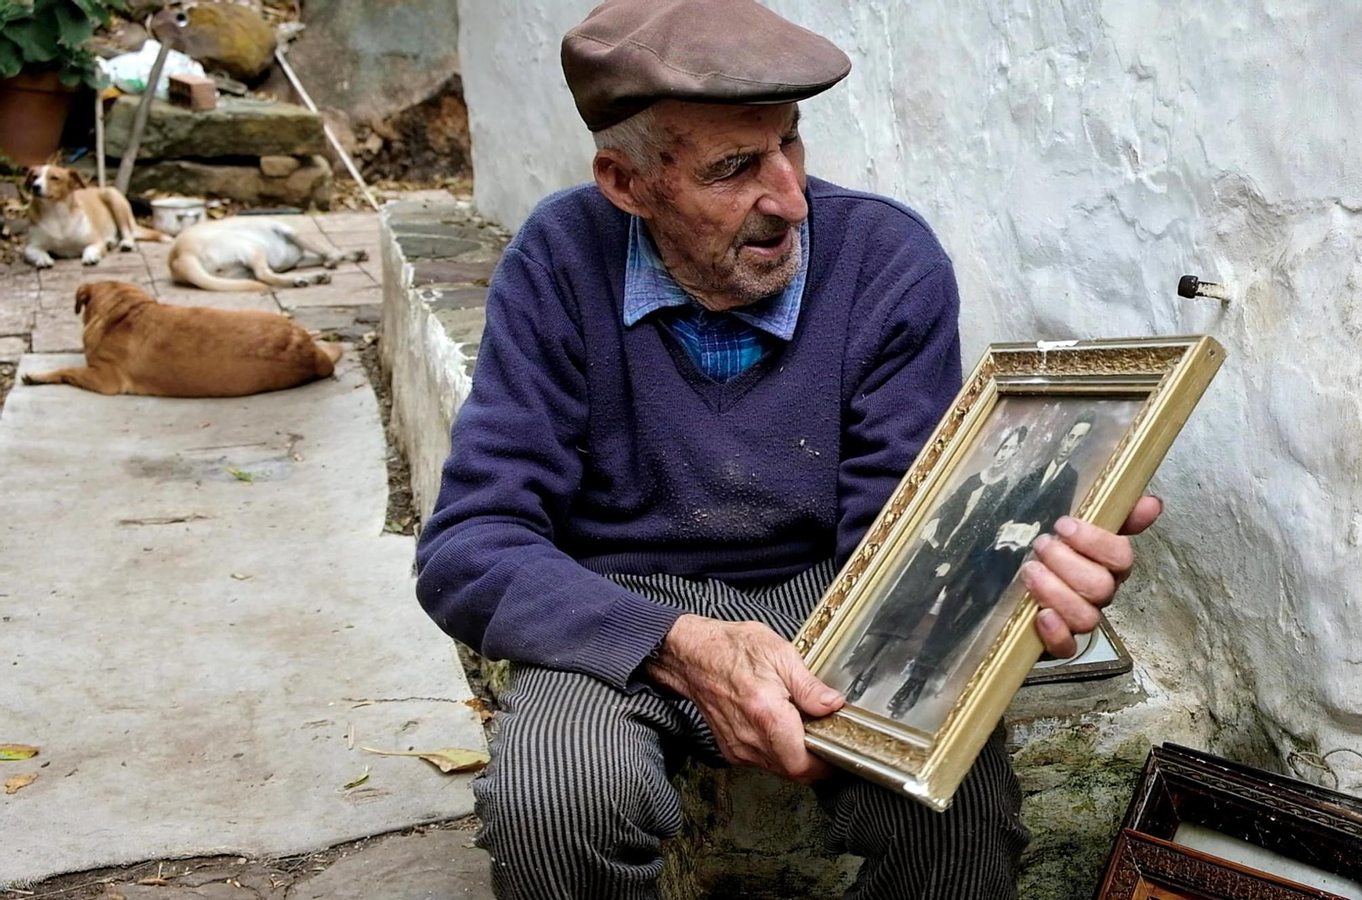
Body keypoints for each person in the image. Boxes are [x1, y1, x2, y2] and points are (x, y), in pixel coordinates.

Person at [414, 2, 1161, 897]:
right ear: (626, 182)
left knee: (956, 816)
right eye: (734, 168)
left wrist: (1003, 596)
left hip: (830, 599)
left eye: (791, 144)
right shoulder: (559, 260)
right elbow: (469, 546)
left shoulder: (885, 261)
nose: (790, 198)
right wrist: (675, 642)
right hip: (621, 603)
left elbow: (895, 542)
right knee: (560, 798)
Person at [884, 409, 1100, 718]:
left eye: (1078, 439)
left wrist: (1033, 531)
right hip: (982, 553)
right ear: (1064, 438)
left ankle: (918, 678)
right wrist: (1002, 525)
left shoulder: (1069, 479)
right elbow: (1003, 510)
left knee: (969, 617)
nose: (1070, 443)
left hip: (1005, 565)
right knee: (949, 606)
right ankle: (918, 674)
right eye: (1069, 436)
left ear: (1080, 445)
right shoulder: (1034, 473)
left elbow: (1058, 522)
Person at [840, 425, 1031, 707]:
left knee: (909, 617)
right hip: (928, 551)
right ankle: (861, 662)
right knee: (896, 605)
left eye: (1012, 451)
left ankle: (868, 674)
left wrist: (950, 565)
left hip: (948, 562)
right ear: (998, 449)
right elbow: (949, 505)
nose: (1005, 455)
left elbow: (979, 537)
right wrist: (933, 522)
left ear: (1015, 456)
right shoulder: (973, 480)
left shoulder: (1001, 492)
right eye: (1004, 448)